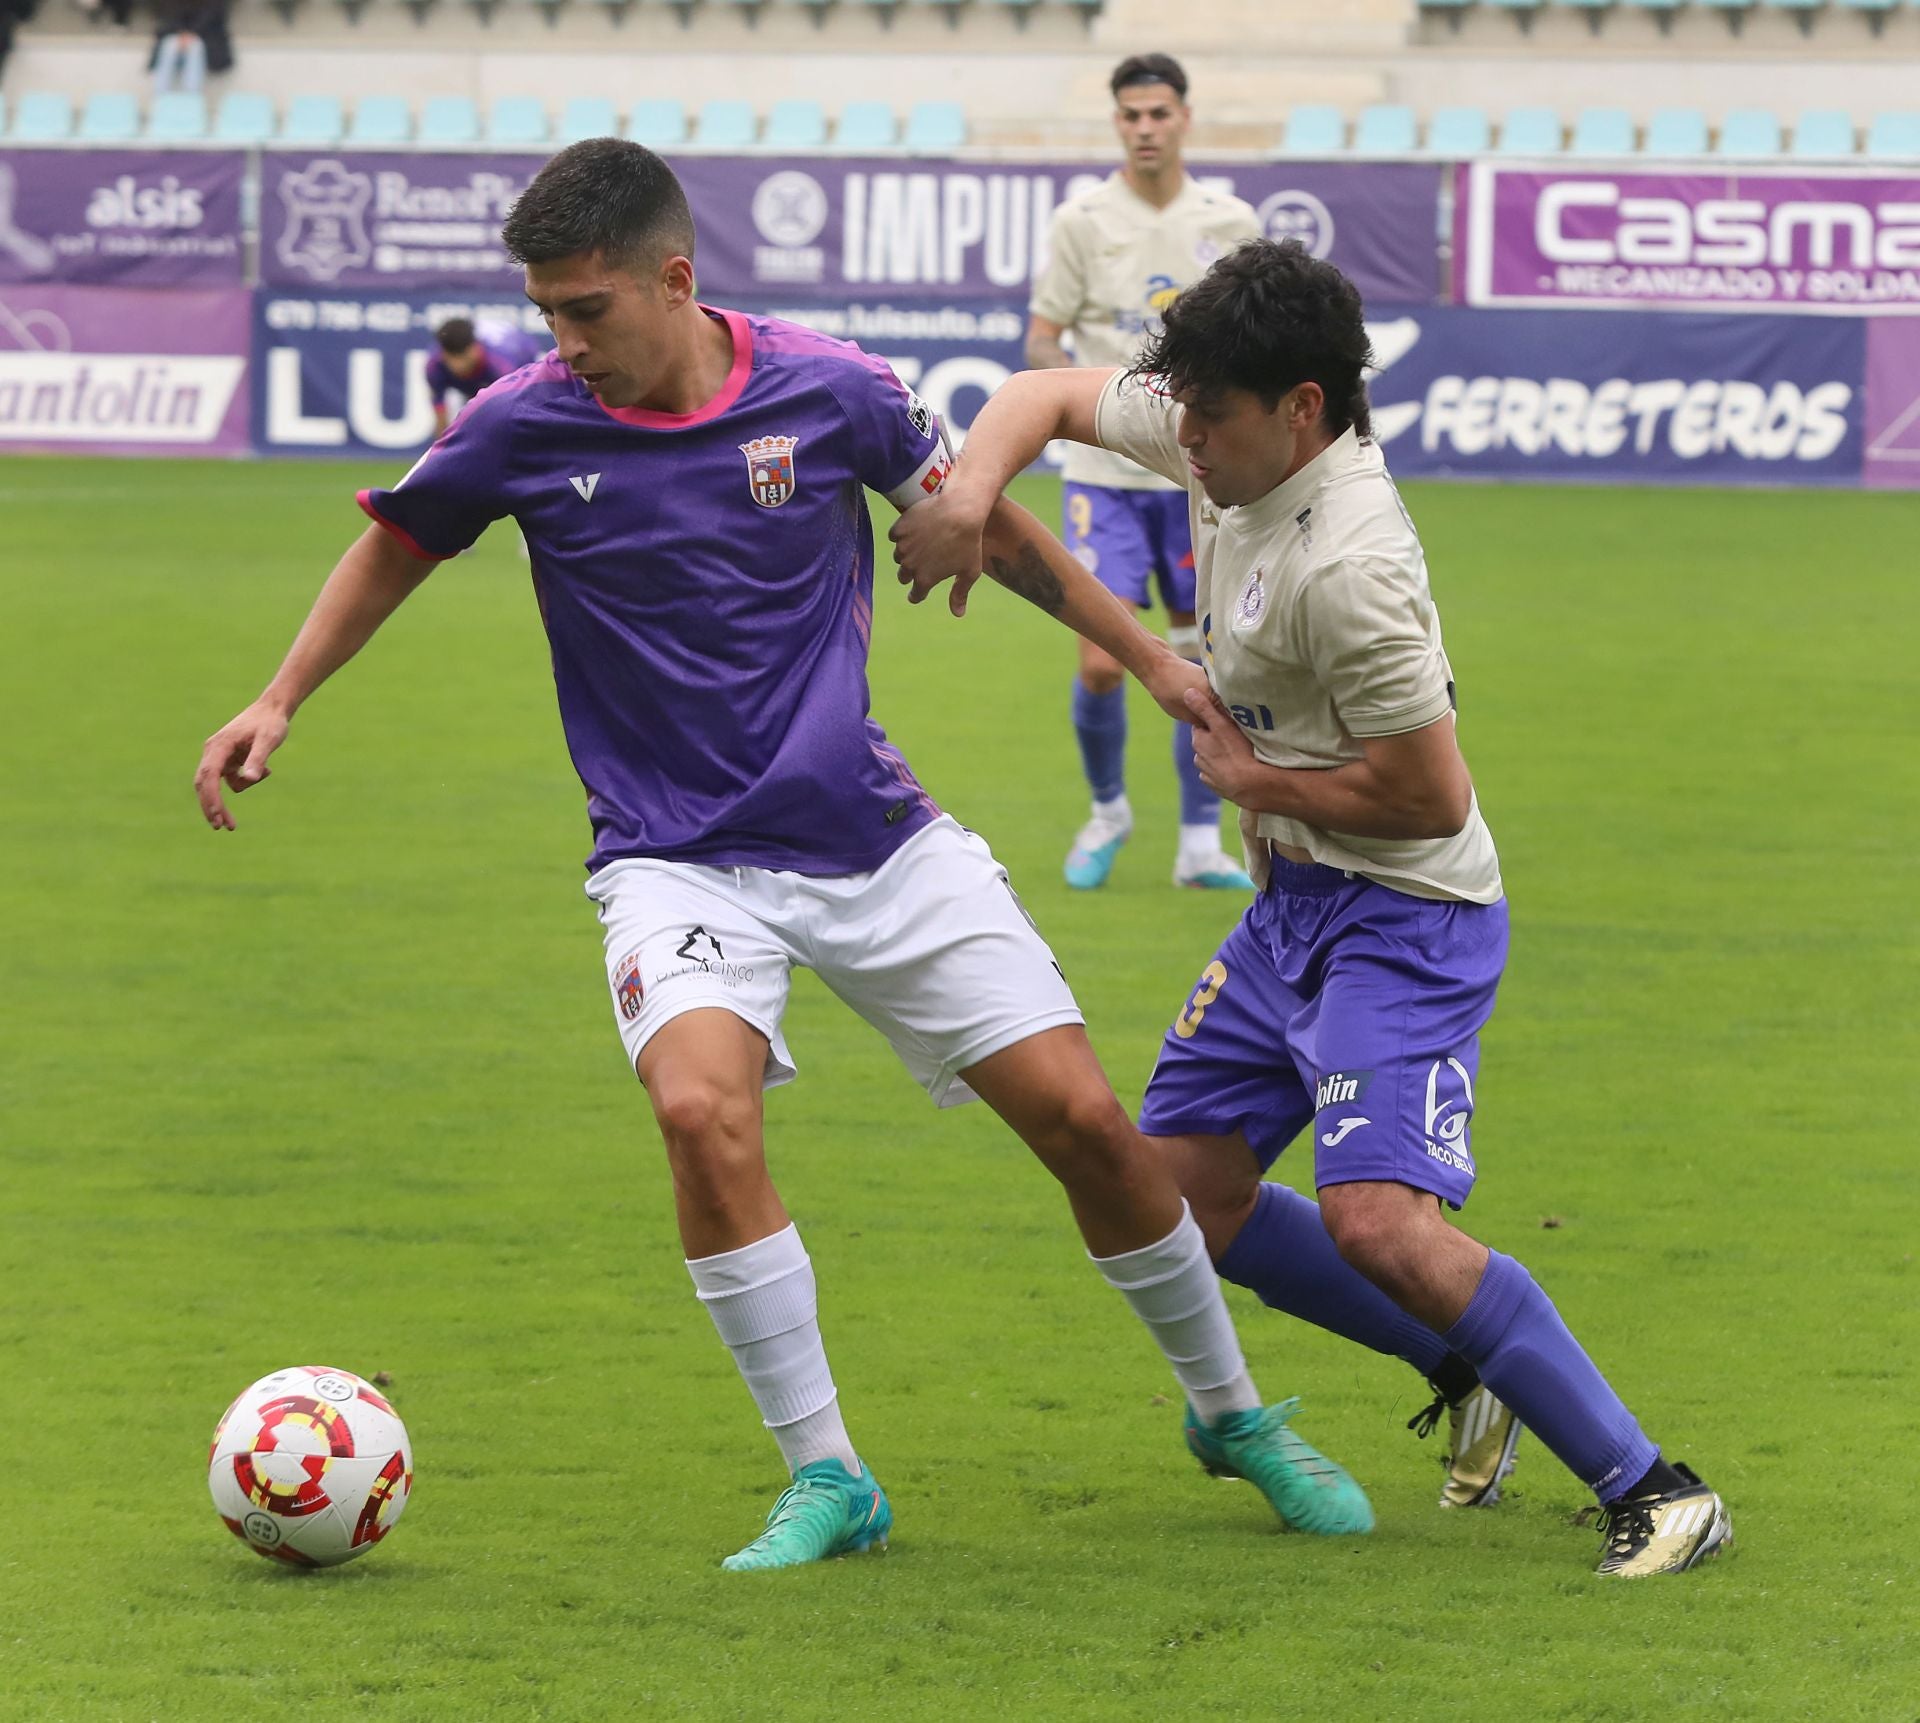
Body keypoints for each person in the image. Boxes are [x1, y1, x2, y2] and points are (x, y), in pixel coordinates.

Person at [194, 141, 1374, 1573]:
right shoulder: (524, 422)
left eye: (585, 311)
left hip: (866, 834)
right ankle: (828, 1473)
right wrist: (277, 694)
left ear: (673, 281)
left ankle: (1232, 1411)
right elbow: (400, 543)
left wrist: (1153, 659)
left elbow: (993, 531)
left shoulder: (832, 387)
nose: (563, 342)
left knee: (1082, 1121)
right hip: (672, 857)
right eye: (549, 314)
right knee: (701, 1112)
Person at [891, 237, 1734, 1578]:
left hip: (1407, 913)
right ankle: (1469, 1368)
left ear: (1300, 408)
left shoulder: (1354, 565)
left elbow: (1432, 799)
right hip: (1291, 904)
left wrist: (1248, 772)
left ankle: (1658, 1486)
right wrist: (969, 493)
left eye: (1210, 422)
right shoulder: (1231, 430)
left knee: (1379, 1218)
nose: (1189, 449)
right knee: (1178, 1189)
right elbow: (1036, 395)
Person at [1027, 53, 1260, 894]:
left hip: (1199, 477)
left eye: (1159, 113)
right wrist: (1081, 392)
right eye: (1131, 116)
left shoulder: (1229, 221)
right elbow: (1042, 336)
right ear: (1116, 123)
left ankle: (1200, 845)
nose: (1145, 128)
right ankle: (1107, 811)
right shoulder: (1083, 219)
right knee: (1101, 662)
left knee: (1204, 662)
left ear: (1184, 118)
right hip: (1102, 471)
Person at [425, 315, 547, 440]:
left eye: (463, 358)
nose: (458, 366)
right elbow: (439, 409)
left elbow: (512, 411)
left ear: (475, 348)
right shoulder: (434, 365)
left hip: (523, 352)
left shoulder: (501, 365)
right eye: (452, 358)